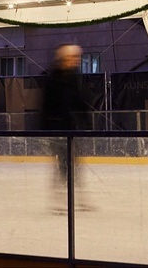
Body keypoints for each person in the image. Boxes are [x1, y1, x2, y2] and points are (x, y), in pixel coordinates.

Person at [42, 43, 92, 211]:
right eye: (72, 58)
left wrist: (85, 121)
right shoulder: (52, 79)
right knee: (63, 166)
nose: (75, 61)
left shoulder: (73, 77)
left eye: (77, 58)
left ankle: (80, 197)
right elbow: (44, 107)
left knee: (75, 165)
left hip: (71, 129)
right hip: (56, 130)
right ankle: (58, 198)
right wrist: (46, 130)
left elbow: (80, 101)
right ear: (64, 59)